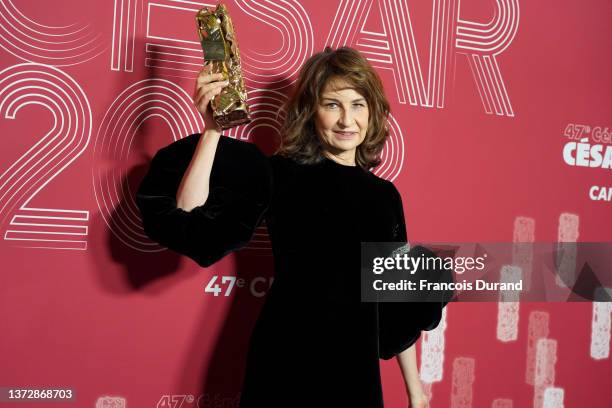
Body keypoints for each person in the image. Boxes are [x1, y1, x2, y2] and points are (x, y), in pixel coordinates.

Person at [136, 46, 446, 407]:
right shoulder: (279, 173)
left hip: (355, 370)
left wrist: (416, 393)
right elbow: (189, 210)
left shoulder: (385, 196)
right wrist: (212, 130)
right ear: (310, 111)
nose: (347, 120)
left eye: (358, 104)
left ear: (373, 112)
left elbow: (394, 300)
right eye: (332, 105)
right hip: (286, 359)